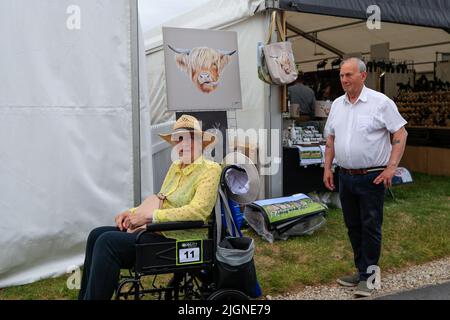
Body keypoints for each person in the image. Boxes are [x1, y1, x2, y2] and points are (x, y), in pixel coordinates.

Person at [78, 114, 221, 300]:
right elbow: (161, 200)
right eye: (179, 139)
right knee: (96, 235)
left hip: (182, 239)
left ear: (201, 143)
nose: (184, 144)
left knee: (108, 242)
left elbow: (198, 212)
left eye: (190, 139)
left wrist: (149, 218)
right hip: (158, 231)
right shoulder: (176, 167)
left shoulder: (210, 169)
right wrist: (131, 213)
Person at [323, 57, 408, 297]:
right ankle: (362, 272)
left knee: (370, 226)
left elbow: (400, 133)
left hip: (372, 177)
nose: (344, 80)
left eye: (348, 75)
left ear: (363, 76)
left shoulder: (381, 103)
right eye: (341, 75)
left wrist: (392, 167)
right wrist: (327, 168)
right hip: (346, 176)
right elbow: (331, 139)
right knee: (353, 226)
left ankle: (370, 278)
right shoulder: (338, 105)